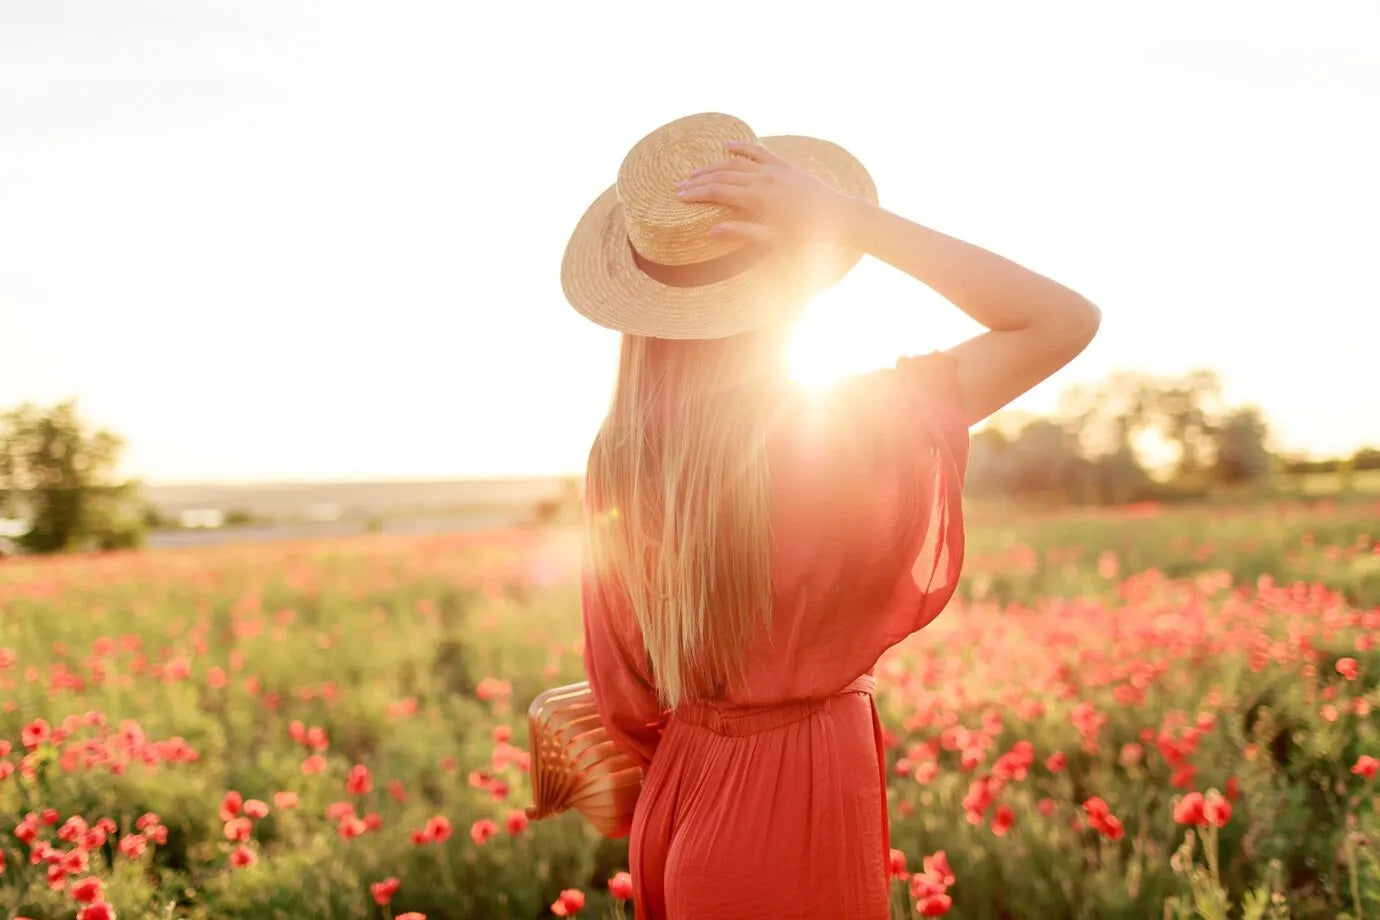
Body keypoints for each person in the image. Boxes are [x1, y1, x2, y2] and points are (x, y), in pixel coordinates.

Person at [560, 113, 1099, 920]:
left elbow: (627, 703)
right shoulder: (849, 430)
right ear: (792, 279)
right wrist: (846, 219)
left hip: (680, 809)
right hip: (791, 816)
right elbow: (1061, 319)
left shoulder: (624, 458)